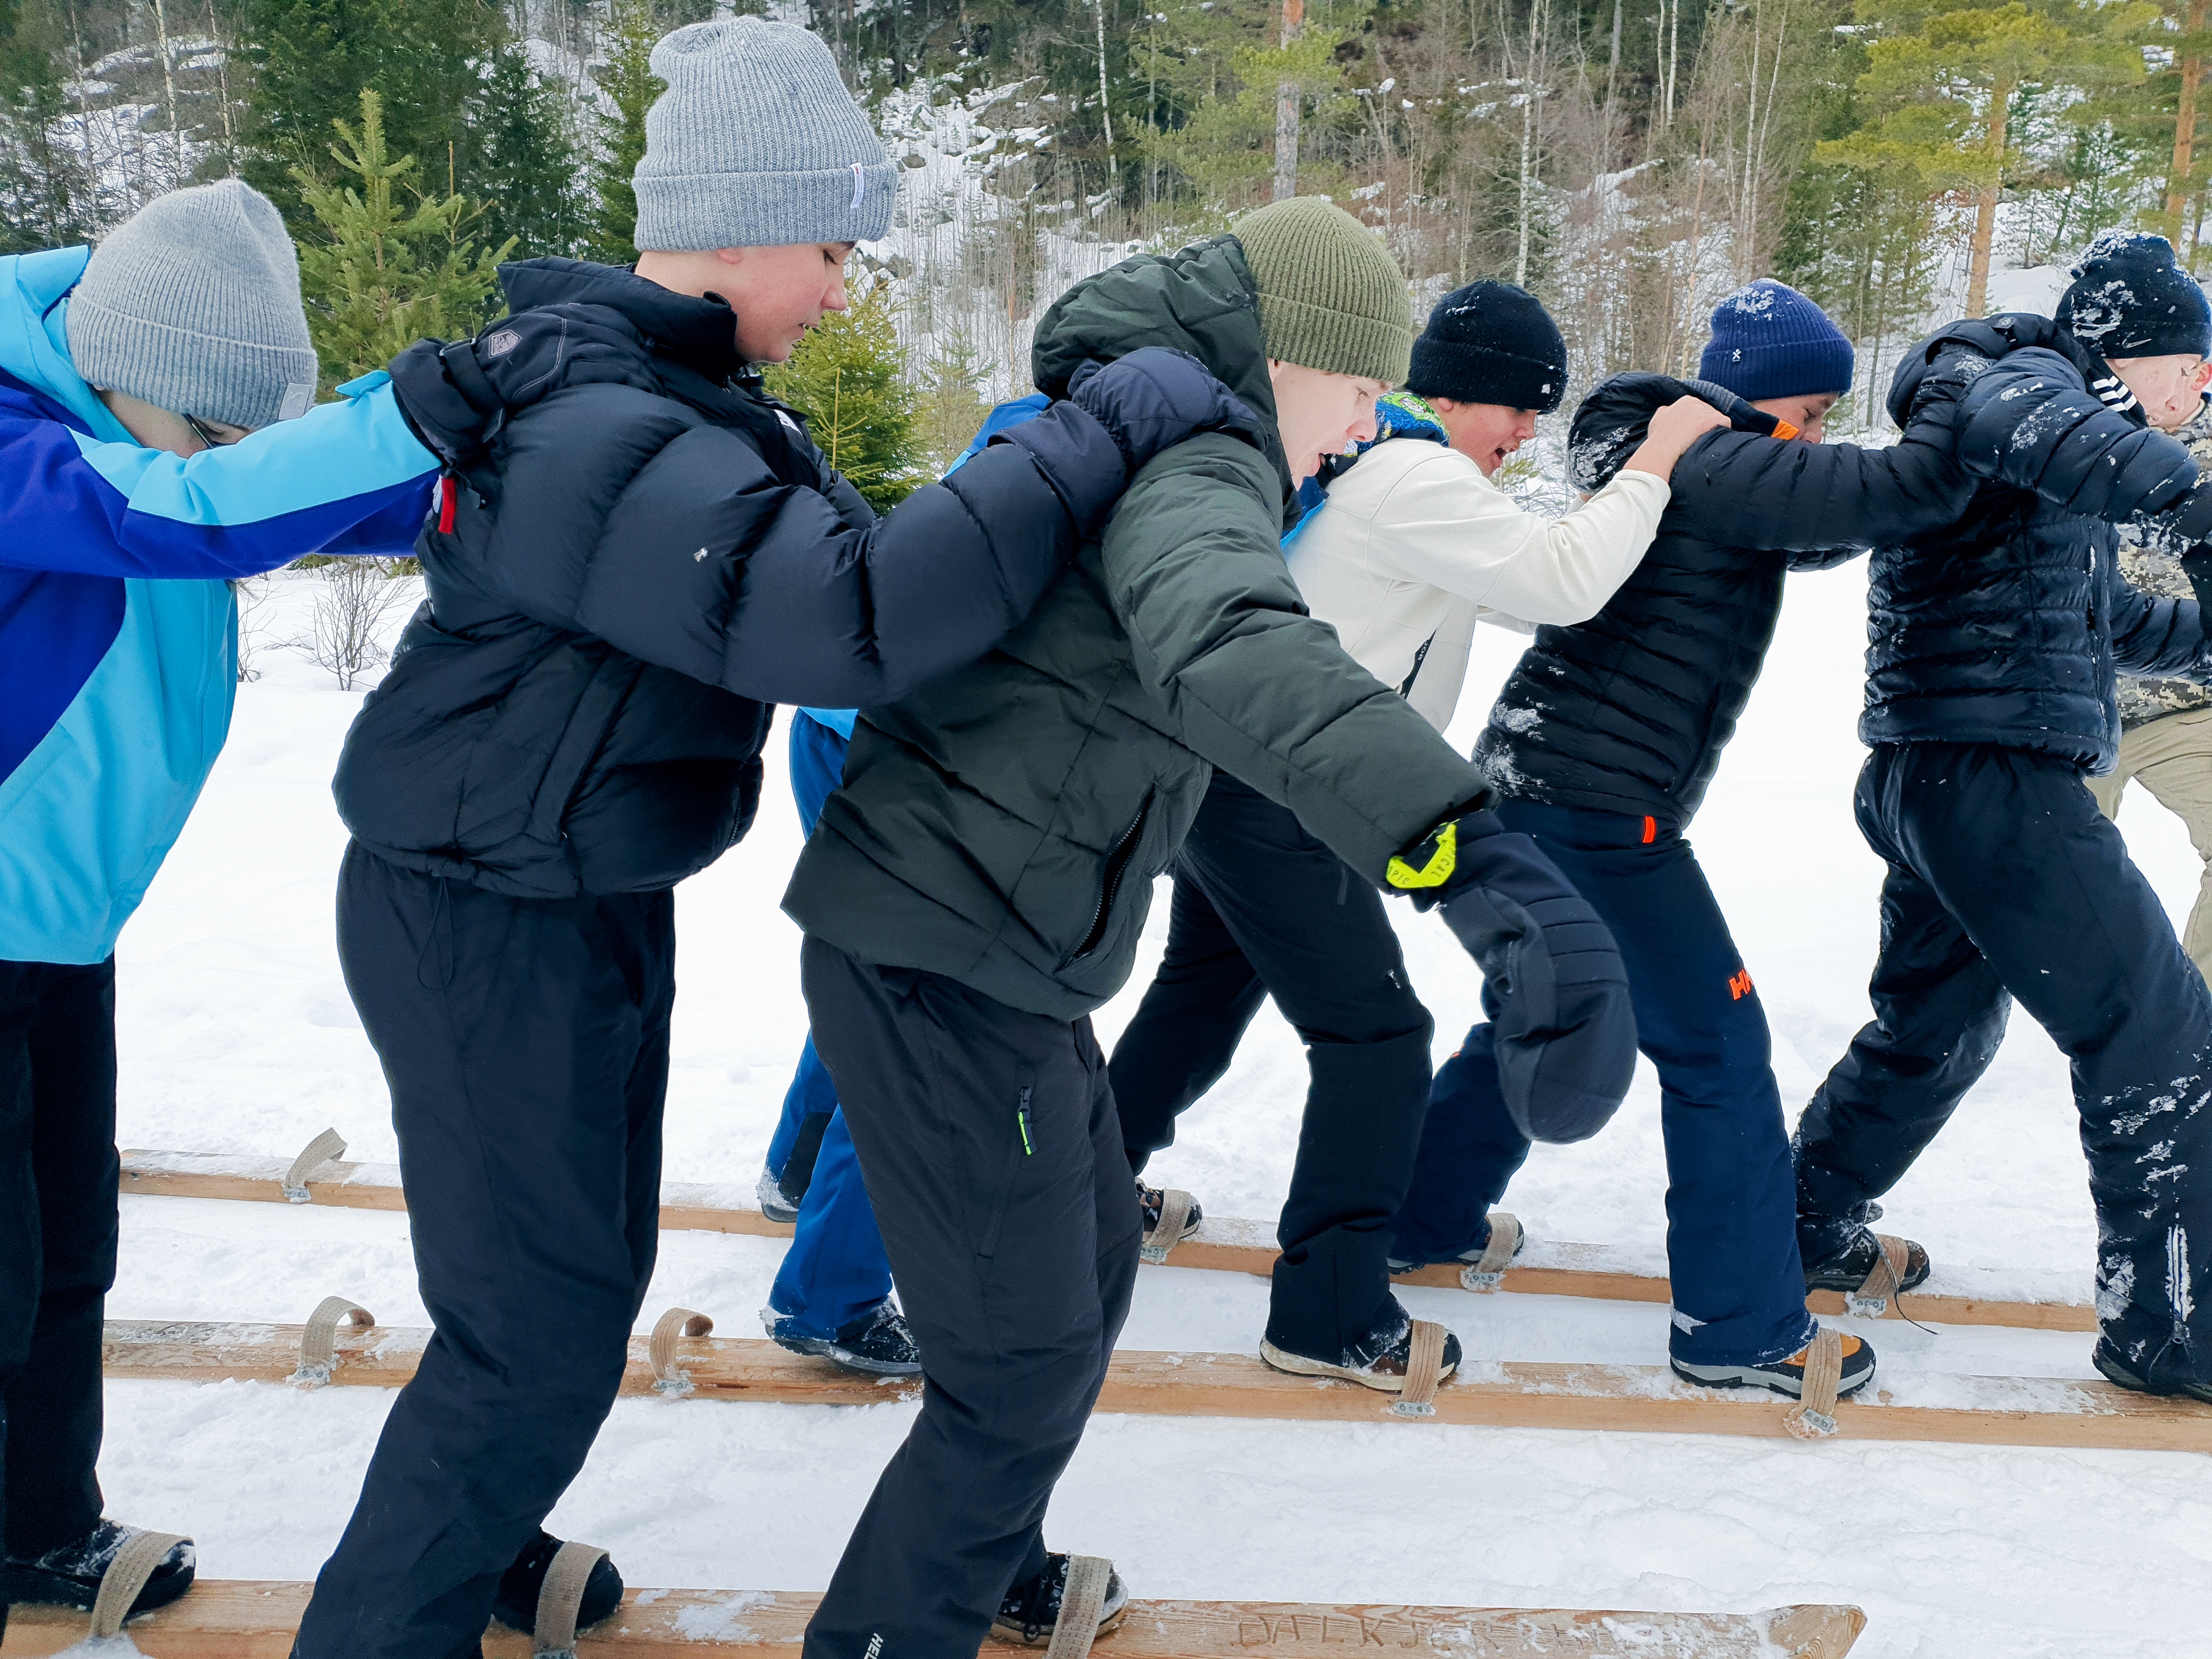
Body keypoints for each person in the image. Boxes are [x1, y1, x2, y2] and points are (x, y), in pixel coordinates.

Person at [294, 20, 1251, 1659]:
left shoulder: (671, 405)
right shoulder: (620, 426)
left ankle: (467, 1540)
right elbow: (852, 621)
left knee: (560, 1300)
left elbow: (847, 581)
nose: (843, 282)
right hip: (480, 909)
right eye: (829, 246)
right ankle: (389, 1618)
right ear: (734, 230)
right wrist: (1076, 442)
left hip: (558, 890)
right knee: (532, 1325)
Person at [782, 197, 1640, 1659]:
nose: (1367, 426)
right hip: (946, 945)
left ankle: (988, 1561)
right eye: (1361, 388)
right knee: (1024, 1363)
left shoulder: (1147, 416)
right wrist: (1463, 847)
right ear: (1289, 357)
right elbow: (1232, 633)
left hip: (1001, 939)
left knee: (1089, 1266)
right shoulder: (1201, 454)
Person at [1103, 280, 1727, 1386]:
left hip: (1243, 770)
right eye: (1519, 409)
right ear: (1466, 396)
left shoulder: (1377, 468)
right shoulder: (1412, 471)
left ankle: (1085, 1194)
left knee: (1201, 997)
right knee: (1378, 1038)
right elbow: (1563, 580)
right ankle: (1327, 1313)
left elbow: (1515, 585)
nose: (1527, 432)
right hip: (1290, 789)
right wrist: (1659, 458)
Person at [1396, 279, 1984, 1404]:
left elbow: (1835, 520)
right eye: (1812, 412)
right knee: (1718, 1051)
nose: (1818, 437)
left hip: (1547, 785)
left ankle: (1416, 1217)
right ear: (1764, 403)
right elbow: (1889, 485)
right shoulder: (1709, 459)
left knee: (1540, 1011)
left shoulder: (1709, 473)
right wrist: (1972, 401)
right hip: (1598, 807)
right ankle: (1741, 1327)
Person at [0, 180, 444, 1636]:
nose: (232, 466)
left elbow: (311, 489)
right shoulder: (31, 448)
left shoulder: (162, 426)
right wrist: (415, 406)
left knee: (72, 1249)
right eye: (214, 433)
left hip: (59, 929)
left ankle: (41, 1526)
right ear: (124, 376)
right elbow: (179, 515)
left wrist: (509, 436)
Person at [1793, 232, 2212, 1404]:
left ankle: (1798, 1221)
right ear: (2133, 359)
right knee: (2161, 1034)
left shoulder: (2046, 459)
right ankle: (2172, 1332)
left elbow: (2106, 620)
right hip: (1996, 779)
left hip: (1946, 777)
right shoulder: (2009, 375)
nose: (2202, 391)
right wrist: (2195, 499)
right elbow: (2045, 424)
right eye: (2193, 366)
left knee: (1936, 1029)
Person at [2089, 397, 2212, 984]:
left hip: (2188, 706)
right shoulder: (2067, 433)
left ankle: (2199, 1031)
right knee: (2034, 871)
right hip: (2069, 704)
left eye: (2196, 363)